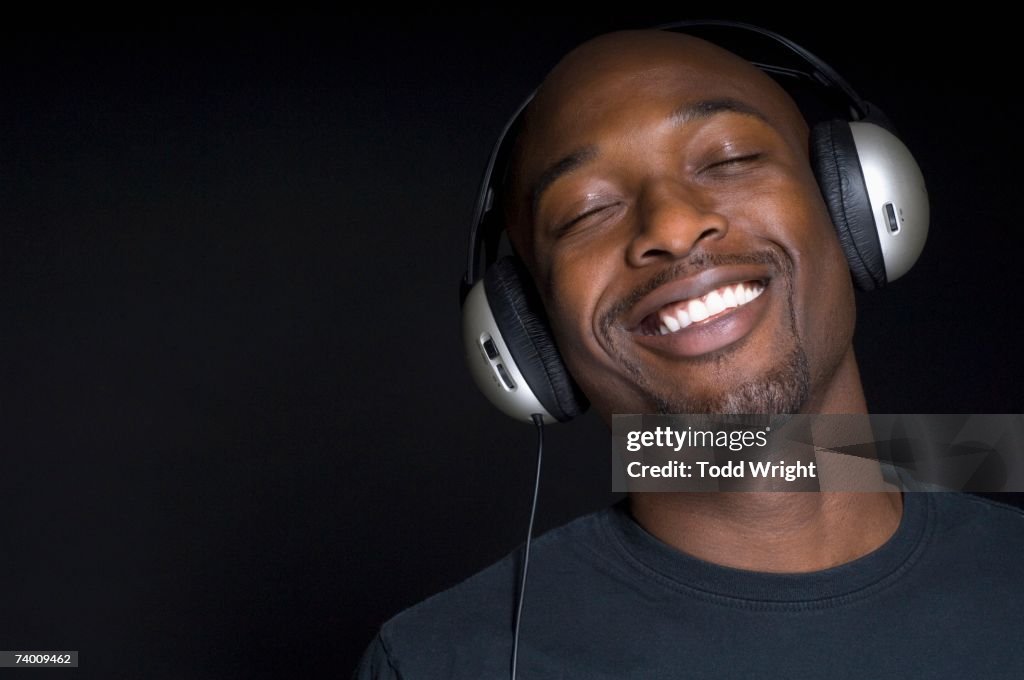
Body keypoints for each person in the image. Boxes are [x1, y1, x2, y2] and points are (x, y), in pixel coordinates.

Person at [354, 25, 1024, 679]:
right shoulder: (437, 662)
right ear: (528, 330)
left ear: (858, 205)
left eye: (729, 158)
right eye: (586, 211)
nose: (672, 228)